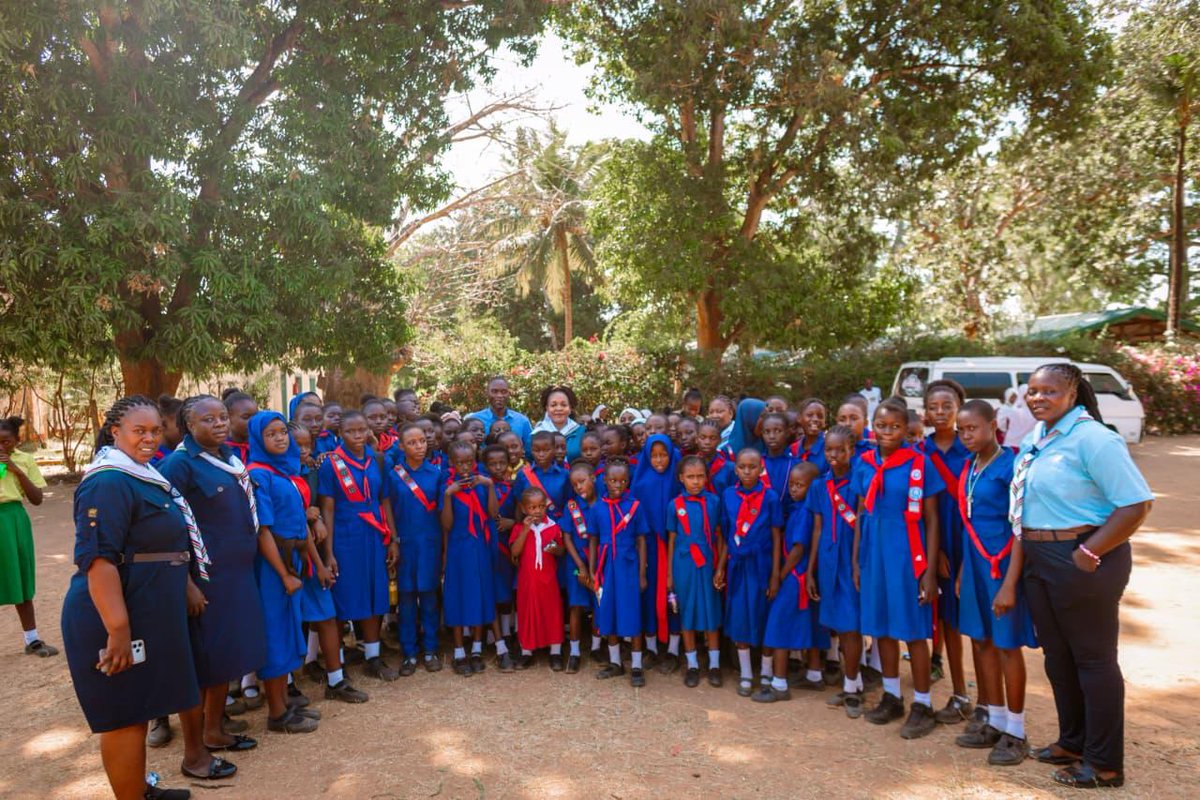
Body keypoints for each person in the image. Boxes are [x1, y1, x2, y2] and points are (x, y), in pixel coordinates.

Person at [1015, 363, 1152, 789]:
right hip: (1039, 556)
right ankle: (1072, 742)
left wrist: (1090, 551)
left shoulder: (1095, 439)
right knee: (1058, 658)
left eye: (1049, 391)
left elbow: (1136, 504)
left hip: (1082, 556)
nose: (1038, 398)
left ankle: (1105, 763)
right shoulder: (1034, 438)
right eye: (1032, 391)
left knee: (1093, 661)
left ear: (1072, 394)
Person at [62, 396, 201, 800]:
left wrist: (185, 581)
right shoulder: (108, 481)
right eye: (139, 430)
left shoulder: (140, 474)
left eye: (156, 430)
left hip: (146, 606)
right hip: (114, 613)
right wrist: (118, 630)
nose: (150, 438)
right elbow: (98, 560)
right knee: (123, 716)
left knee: (139, 707)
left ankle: (139, 789)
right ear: (115, 432)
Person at [159, 396, 266, 767]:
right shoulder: (179, 465)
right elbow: (170, 526)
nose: (219, 423)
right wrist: (187, 582)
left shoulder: (230, 459)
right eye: (209, 419)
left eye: (223, 417)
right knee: (206, 656)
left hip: (237, 574)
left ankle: (214, 728)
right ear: (189, 425)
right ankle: (201, 737)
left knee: (227, 654)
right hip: (206, 578)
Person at [853, 398, 945, 738]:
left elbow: (932, 519)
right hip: (874, 554)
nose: (887, 432)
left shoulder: (919, 464)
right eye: (881, 425)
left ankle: (923, 703)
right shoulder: (864, 463)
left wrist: (930, 570)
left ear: (907, 429)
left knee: (914, 631)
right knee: (881, 630)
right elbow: (862, 513)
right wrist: (857, 562)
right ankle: (892, 696)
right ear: (872, 427)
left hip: (908, 555)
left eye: (895, 426)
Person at [953, 399, 1037, 765]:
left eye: (972, 428)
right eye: (961, 430)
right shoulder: (970, 466)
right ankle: (995, 720)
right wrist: (960, 572)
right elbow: (968, 524)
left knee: (1006, 644)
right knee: (982, 641)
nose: (966, 435)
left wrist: (1009, 583)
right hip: (973, 567)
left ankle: (1016, 732)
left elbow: (1021, 529)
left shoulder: (1011, 465)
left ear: (993, 425)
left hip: (1003, 568)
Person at [245, 412, 320, 735]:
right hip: (273, 567)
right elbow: (263, 530)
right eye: (271, 433)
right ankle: (276, 712)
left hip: (293, 558)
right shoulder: (258, 474)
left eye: (281, 432)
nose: (279, 438)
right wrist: (284, 573)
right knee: (275, 634)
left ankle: (286, 702)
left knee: (289, 630)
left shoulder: (284, 471)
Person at [317, 410, 400, 682]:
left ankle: (373, 657)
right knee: (344, 595)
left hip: (374, 535)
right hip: (345, 536)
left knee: (375, 594)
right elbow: (327, 509)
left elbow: (385, 500)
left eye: (362, 430)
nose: (357, 436)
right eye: (351, 431)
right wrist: (328, 552)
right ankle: (338, 661)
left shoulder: (377, 460)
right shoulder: (331, 464)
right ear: (340, 433)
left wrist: (393, 539)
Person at [291, 422, 368, 704]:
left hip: (314, 556)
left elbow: (321, 508)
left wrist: (317, 518)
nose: (302, 450)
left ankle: (335, 680)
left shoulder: (311, 471)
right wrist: (309, 517)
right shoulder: (270, 475)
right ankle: (286, 685)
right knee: (288, 621)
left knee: (326, 615)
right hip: (289, 558)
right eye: (295, 445)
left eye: (306, 444)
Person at [919, 379, 976, 726]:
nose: (939, 412)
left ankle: (991, 704)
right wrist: (933, 552)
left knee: (983, 629)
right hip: (934, 547)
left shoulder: (971, 447)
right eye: (933, 407)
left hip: (972, 544)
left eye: (947, 406)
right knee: (947, 623)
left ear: (959, 408)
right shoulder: (919, 452)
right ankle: (960, 694)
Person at [805, 425, 866, 718]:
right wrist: (810, 568)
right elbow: (816, 528)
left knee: (851, 625)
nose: (833, 454)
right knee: (840, 627)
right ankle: (850, 681)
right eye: (829, 449)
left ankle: (853, 687)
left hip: (851, 560)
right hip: (828, 560)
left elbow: (861, 525)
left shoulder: (859, 480)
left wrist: (856, 563)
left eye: (840, 449)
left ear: (851, 450)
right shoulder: (819, 485)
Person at [755, 461, 827, 702]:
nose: (794, 489)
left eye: (800, 485)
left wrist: (780, 575)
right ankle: (814, 675)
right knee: (810, 624)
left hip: (794, 576)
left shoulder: (805, 512)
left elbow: (798, 548)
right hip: (803, 575)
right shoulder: (798, 507)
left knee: (778, 627)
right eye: (792, 484)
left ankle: (779, 683)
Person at [722, 449, 783, 698]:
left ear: (761, 469)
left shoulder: (770, 497)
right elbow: (725, 534)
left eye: (753, 467)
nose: (747, 471)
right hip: (738, 566)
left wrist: (775, 574)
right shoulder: (728, 495)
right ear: (735, 469)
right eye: (742, 467)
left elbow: (777, 535)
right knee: (740, 618)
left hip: (763, 565)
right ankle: (746, 673)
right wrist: (720, 567)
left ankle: (766, 672)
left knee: (764, 617)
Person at [588, 460, 649, 688]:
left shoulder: (635, 506)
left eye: (623, 481)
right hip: (606, 567)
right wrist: (594, 569)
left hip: (628, 565)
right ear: (604, 480)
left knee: (632, 614)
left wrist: (642, 573)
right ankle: (615, 663)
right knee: (608, 614)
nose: (618, 485)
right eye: (613, 480)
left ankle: (636, 665)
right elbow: (593, 539)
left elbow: (642, 540)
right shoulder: (598, 507)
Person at [666, 455, 725, 688]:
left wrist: (720, 567)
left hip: (708, 563)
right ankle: (692, 665)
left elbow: (720, 535)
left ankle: (714, 665)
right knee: (687, 612)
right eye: (690, 477)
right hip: (684, 564)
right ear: (681, 478)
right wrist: (670, 574)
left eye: (700, 476)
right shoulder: (675, 505)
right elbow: (671, 539)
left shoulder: (714, 502)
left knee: (711, 613)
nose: (696, 482)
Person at [0, 416, 56, 658]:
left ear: (17, 440)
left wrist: (16, 469)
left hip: (13, 519)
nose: (1, 447)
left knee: (21, 577)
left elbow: (36, 498)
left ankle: (32, 639)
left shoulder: (25, 460)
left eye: (6, 442)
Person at [441, 440, 498, 676]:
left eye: (469, 462)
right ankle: (458, 651)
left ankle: (476, 648)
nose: (465, 467)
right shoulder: (447, 484)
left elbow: (493, 514)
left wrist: (490, 486)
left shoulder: (481, 483)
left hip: (480, 547)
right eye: (460, 462)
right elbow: (446, 524)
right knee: (458, 596)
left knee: (480, 595)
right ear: (452, 463)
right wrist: (448, 495)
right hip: (457, 548)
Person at [631, 433, 682, 671]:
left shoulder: (679, 478)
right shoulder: (640, 482)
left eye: (664, 455)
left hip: (676, 546)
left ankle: (673, 648)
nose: (659, 460)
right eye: (654, 455)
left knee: (674, 596)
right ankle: (651, 647)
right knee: (649, 595)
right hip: (649, 547)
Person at [509, 487, 566, 671]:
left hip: (548, 580)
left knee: (552, 612)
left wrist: (555, 549)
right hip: (527, 581)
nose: (537, 511)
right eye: (532, 507)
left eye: (541, 506)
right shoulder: (519, 528)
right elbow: (515, 552)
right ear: (524, 509)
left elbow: (561, 550)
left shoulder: (553, 527)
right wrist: (526, 530)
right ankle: (527, 651)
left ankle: (555, 651)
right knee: (527, 613)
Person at [560, 461, 597, 672]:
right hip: (576, 564)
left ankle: (596, 647)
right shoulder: (571, 506)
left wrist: (592, 568)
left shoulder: (603, 504)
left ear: (593, 478)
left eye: (582, 482)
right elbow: (566, 537)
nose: (579, 487)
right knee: (575, 606)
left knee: (599, 605)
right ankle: (574, 652)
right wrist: (581, 566)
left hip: (598, 564)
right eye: (574, 485)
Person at [468, 376, 533, 457]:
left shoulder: (522, 421)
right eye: (494, 391)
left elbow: (530, 452)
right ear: (487, 393)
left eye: (503, 392)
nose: (499, 395)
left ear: (508, 394)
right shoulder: (474, 420)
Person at [531, 385, 585, 463]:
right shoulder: (536, 434)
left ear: (570, 408)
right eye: (553, 405)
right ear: (547, 408)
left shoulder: (581, 432)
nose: (559, 409)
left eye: (564, 405)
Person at [789, 399, 827, 474]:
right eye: (809, 415)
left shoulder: (829, 448)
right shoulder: (792, 449)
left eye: (820, 416)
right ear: (799, 418)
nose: (815, 419)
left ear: (824, 422)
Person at [696, 420, 734, 495]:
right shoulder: (690, 465)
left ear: (719, 440)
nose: (707, 442)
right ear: (696, 439)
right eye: (702, 438)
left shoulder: (730, 468)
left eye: (712, 438)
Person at [221, 391, 257, 464]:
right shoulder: (220, 450)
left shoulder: (261, 446)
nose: (253, 421)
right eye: (246, 417)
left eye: (255, 416)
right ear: (228, 417)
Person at [152, 395, 184, 466]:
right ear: (163, 424)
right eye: (182, 423)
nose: (187, 429)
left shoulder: (183, 453)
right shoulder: (151, 456)